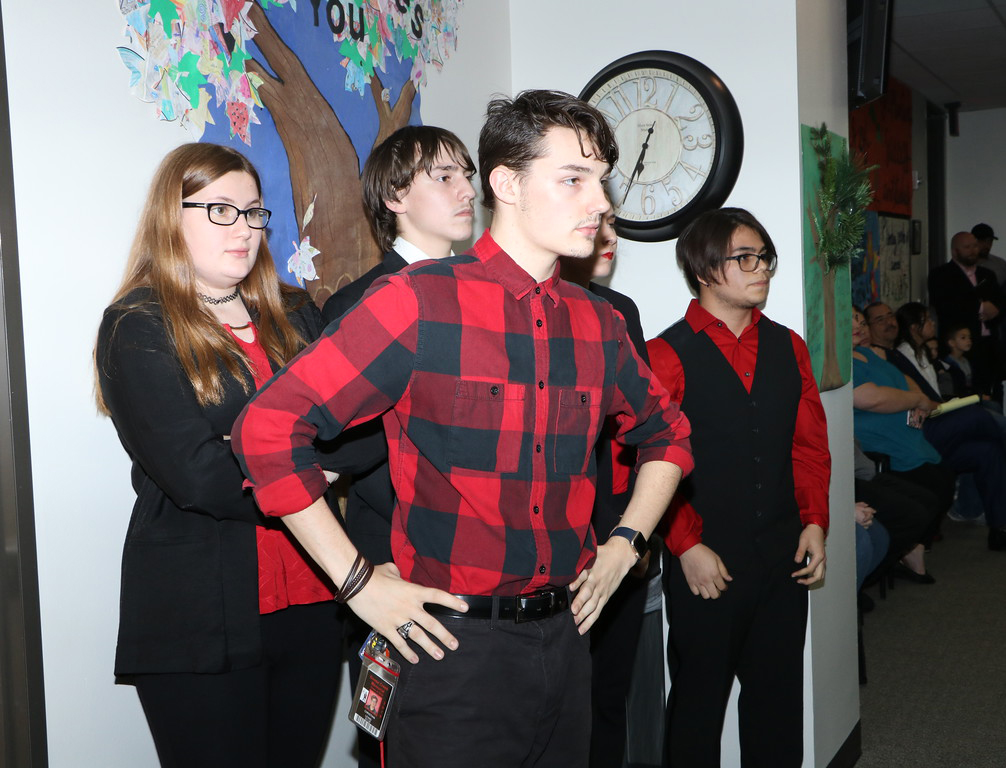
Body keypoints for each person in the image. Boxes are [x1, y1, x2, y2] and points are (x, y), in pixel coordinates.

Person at [231, 89, 693, 768]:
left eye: (600, 181)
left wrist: (625, 542)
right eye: (572, 179)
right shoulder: (417, 303)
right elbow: (266, 430)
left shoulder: (596, 322)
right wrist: (357, 582)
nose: (598, 202)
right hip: (449, 651)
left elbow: (668, 434)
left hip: (565, 643)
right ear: (505, 183)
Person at [94, 143, 371, 768]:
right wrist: (309, 459)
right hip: (199, 618)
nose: (243, 228)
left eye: (253, 212)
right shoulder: (138, 324)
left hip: (314, 599)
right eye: (221, 210)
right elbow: (198, 474)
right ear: (173, 214)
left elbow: (365, 432)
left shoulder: (296, 311)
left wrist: (271, 453)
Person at [647, 207, 830, 768]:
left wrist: (815, 523)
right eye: (745, 258)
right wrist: (685, 546)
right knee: (697, 710)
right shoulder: (665, 353)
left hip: (782, 559)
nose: (762, 270)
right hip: (706, 563)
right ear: (705, 270)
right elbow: (651, 461)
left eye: (764, 258)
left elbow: (808, 447)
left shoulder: (789, 347)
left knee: (777, 707)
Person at [319, 124, 476, 768]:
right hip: (398, 563)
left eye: (467, 173)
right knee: (405, 743)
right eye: (444, 176)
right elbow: (327, 444)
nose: (466, 187)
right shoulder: (361, 303)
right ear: (394, 196)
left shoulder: (494, 293)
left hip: (496, 569)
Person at [561, 212, 656, 768]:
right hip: (551, 546)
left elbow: (648, 433)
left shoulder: (621, 312)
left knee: (607, 697)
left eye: (612, 226)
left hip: (616, 538)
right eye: (597, 226)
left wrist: (634, 534)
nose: (609, 239)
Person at [851, 307, 1006, 555]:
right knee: (977, 415)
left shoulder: (879, 356)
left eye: (862, 322)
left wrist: (917, 400)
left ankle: (1003, 530)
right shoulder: (851, 362)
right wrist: (917, 401)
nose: (862, 327)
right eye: (874, 320)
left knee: (988, 450)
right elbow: (873, 398)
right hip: (912, 434)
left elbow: (911, 387)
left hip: (922, 426)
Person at [928, 231, 1006, 399]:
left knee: (994, 389)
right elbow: (947, 306)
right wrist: (980, 307)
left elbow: (1002, 303)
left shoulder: (987, 275)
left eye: (975, 246)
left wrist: (994, 311)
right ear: (955, 251)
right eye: (967, 247)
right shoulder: (941, 275)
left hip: (989, 343)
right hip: (960, 346)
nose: (973, 250)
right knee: (969, 391)